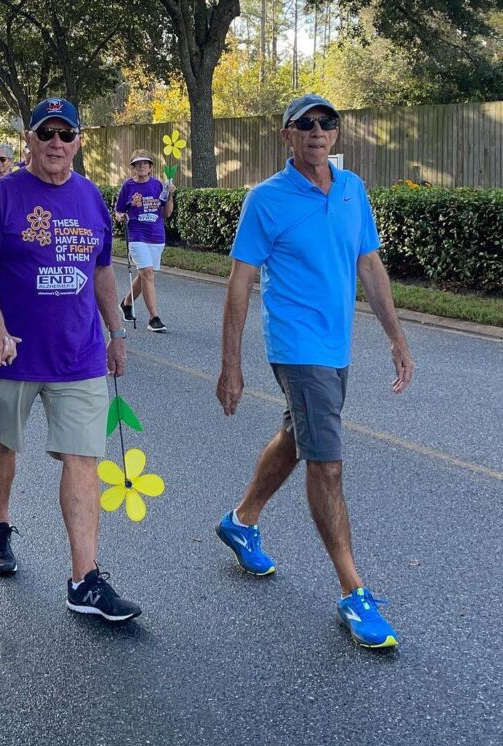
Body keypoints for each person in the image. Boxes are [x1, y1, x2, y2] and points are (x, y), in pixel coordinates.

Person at [215, 94, 415, 649]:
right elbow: (239, 284)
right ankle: (353, 590)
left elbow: (369, 264)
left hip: (336, 346)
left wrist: (396, 337)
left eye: (328, 123)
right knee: (327, 464)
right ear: (287, 136)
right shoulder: (266, 200)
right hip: (297, 347)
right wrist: (231, 364)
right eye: (306, 124)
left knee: (298, 435)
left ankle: (242, 518)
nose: (318, 132)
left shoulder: (352, 191)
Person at [0, 97, 140, 623]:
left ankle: (84, 578)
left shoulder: (92, 198)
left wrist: (116, 333)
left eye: (66, 134)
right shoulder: (1, 196)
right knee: (2, 443)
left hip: (79, 353)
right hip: (14, 352)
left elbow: (104, 272)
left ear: (78, 142)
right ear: (30, 139)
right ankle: (0, 525)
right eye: (47, 134)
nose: (57, 144)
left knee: (84, 457)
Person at [115, 149, 174, 333]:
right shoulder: (128, 186)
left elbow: (167, 213)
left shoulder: (158, 185)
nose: (141, 166)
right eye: (138, 164)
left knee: (144, 275)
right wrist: (121, 216)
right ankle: (154, 318)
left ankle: (126, 303)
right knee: (148, 273)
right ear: (133, 167)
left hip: (156, 236)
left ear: (150, 167)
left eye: (145, 163)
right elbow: (118, 211)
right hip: (136, 235)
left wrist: (171, 194)